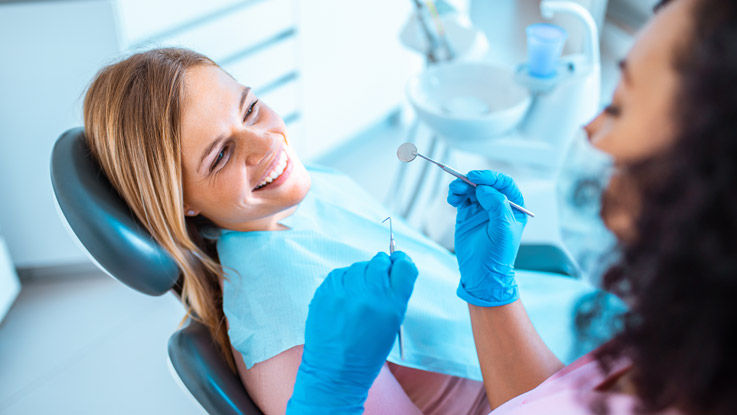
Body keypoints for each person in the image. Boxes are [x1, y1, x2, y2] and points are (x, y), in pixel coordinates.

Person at [82, 48, 605, 413]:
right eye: (220, 155)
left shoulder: (300, 187)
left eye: (250, 107)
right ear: (183, 204)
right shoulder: (285, 334)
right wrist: (491, 296)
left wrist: (487, 284)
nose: (266, 145)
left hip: (557, 333)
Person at [286, 0, 737, 413]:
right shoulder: (697, 349)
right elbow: (551, 406)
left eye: (617, 107)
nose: (590, 128)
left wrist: (328, 395)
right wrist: (492, 295)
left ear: (707, 169)